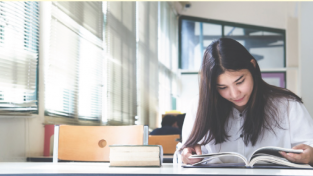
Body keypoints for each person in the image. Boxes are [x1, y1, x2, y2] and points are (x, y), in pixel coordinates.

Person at [180, 38, 313, 166]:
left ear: (253, 66)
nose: (234, 94)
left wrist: (310, 155)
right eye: (222, 87)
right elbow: (182, 155)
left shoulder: (288, 104)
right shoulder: (198, 107)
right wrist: (186, 155)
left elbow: (309, 147)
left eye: (240, 82)